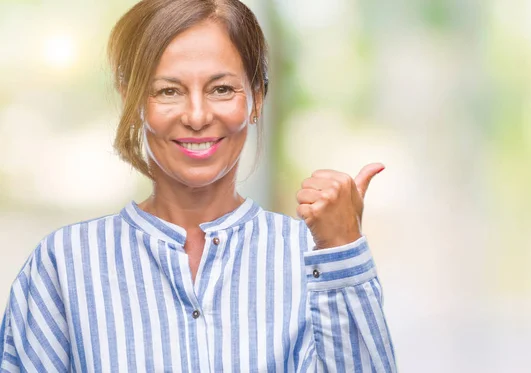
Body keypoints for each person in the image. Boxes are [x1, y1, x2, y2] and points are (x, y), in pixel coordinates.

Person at [0, 0, 396, 371]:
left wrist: (343, 252)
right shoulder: (63, 265)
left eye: (221, 89)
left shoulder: (312, 259)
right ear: (132, 99)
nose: (196, 115)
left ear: (256, 98)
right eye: (168, 90)